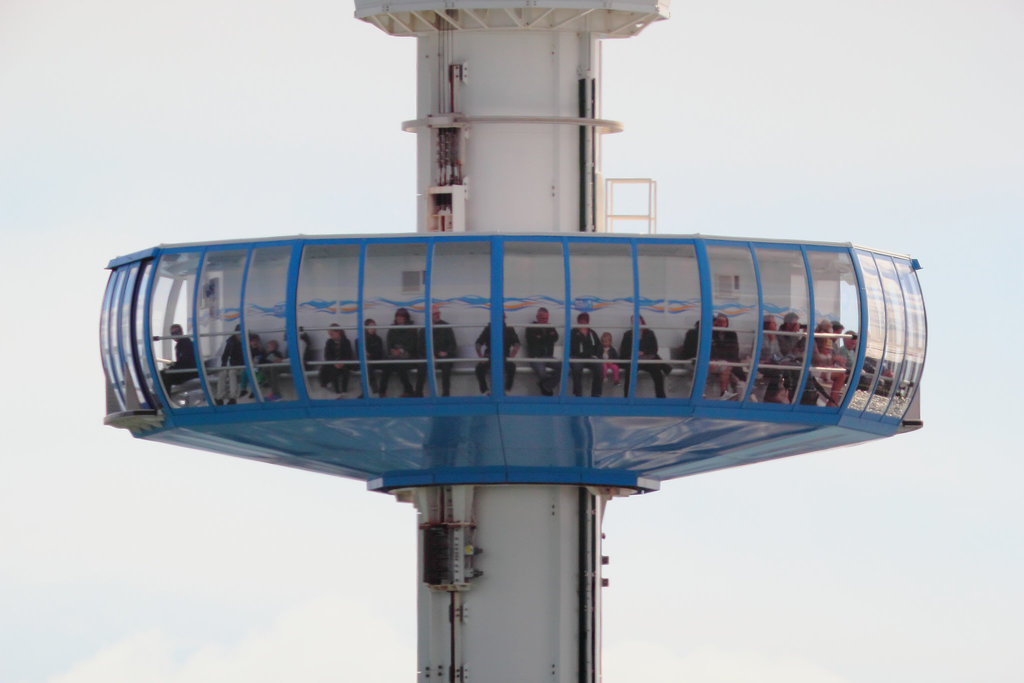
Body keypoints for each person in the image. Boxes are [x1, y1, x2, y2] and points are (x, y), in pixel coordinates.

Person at [619, 315, 666, 398]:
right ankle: (627, 397)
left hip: (647, 359)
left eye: (637, 321)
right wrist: (634, 353)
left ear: (642, 321)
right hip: (634, 360)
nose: (635, 323)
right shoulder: (627, 334)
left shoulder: (649, 333)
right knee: (630, 372)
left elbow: (654, 349)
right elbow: (623, 351)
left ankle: (661, 398)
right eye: (633, 321)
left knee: (657, 372)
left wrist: (643, 352)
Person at [416, 304, 457, 397]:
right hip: (429, 356)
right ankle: (418, 394)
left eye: (438, 313)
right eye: (435, 314)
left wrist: (446, 353)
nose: (437, 315)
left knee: (446, 365)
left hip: (444, 356)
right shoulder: (424, 330)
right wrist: (430, 356)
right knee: (421, 366)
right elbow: (420, 348)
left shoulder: (446, 327)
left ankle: (446, 394)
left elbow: (453, 345)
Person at [801, 319, 846, 406]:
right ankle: (833, 401)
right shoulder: (812, 340)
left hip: (819, 367)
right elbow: (815, 359)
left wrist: (832, 362)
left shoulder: (825, 341)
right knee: (841, 374)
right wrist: (833, 359)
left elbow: (826, 357)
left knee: (843, 372)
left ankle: (832, 400)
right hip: (809, 368)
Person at [475, 314, 520, 394]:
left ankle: (507, 390)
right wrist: (481, 357)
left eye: (502, 317)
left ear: (504, 318)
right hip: (490, 355)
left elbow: (516, 344)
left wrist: (512, 356)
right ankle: (485, 391)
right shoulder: (488, 329)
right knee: (479, 368)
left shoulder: (509, 329)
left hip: (504, 356)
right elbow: (478, 343)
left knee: (512, 367)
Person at [380, 308, 418, 397]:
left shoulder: (412, 329)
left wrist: (401, 351)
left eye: (401, 317)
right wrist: (393, 351)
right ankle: (382, 391)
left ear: (406, 318)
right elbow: (389, 344)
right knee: (386, 364)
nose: (399, 319)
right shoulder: (392, 329)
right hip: (395, 356)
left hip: (409, 356)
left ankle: (408, 390)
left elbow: (413, 345)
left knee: (400, 364)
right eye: (397, 317)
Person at [525, 307, 560, 396]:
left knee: (565, 368)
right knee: (541, 372)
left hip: (548, 356)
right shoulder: (531, 327)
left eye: (546, 318)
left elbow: (555, 338)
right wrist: (547, 337)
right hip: (536, 357)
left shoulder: (550, 327)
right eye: (543, 318)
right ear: (537, 317)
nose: (545, 320)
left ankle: (546, 386)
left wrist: (541, 337)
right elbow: (531, 339)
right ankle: (547, 388)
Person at [709, 313, 745, 400]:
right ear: (715, 323)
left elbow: (734, 350)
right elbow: (712, 351)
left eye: (724, 322)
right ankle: (727, 395)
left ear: (727, 324)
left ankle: (735, 396)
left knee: (734, 370)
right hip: (718, 361)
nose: (721, 324)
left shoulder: (731, 334)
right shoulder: (711, 333)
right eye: (719, 322)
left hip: (730, 359)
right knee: (728, 368)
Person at [569, 312, 602, 397]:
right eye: (581, 320)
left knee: (599, 366)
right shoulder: (573, 332)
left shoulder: (592, 333)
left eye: (585, 320)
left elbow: (598, 346)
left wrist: (596, 356)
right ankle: (578, 393)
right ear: (578, 321)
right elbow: (572, 347)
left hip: (589, 357)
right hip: (576, 357)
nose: (583, 322)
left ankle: (596, 394)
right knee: (576, 368)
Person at [159, 323, 197, 393]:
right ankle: (164, 397)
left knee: (164, 376)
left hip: (190, 372)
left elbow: (185, 362)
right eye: (172, 333)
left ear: (181, 332)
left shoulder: (186, 343)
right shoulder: (181, 344)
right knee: (162, 374)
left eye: (176, 332)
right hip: (186, 371)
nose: (174, 335)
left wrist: (171, 367)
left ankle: (165, 398)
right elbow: (182, 363)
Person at [758, 315, 788, 403]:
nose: (776, 325)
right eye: (774, 323)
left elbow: (778, 353)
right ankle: (771, 395)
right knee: (775, 370)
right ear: (768, 325)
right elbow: (764, 354)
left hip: (774, 363)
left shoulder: (775, 337)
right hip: (762, 363)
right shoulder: (761, 337)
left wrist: (784, 360)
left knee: (787, 368)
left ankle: (786, 393)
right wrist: (771, 341)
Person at [319, 324, 353, 395]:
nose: (330, 336)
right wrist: (334, 363)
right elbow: (327, 355)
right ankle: (336, 391)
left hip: (344, 363)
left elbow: (348, 355)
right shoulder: (329, 342)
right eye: (329, 334)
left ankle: (344, 390)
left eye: (332, 334)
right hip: (333, 363)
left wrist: (342, 362)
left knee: (345, 370)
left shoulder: (346, 341)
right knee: (331, 370)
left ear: (338, 332)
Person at [215, 325, 244, 405]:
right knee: (222, 373)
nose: (239, 335)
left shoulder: (246, 341)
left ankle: (233, 397)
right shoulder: (231, 341)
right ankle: (220, 397)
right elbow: (225, 354)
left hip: (241, 365)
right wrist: (224, 365)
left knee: (232, 372)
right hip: (233, 364)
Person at [356, 318, 385, 396]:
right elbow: (359, 354)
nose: (373, 329)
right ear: (365, 328)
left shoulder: (378, 339)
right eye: (370, 326)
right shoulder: (360, 340)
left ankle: (366, 392)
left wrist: (370, 354)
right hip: (366, 363)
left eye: (374, 326)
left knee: (368, 363)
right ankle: (372, 389)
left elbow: (380, 353)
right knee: (367, 364)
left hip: (375, 361)